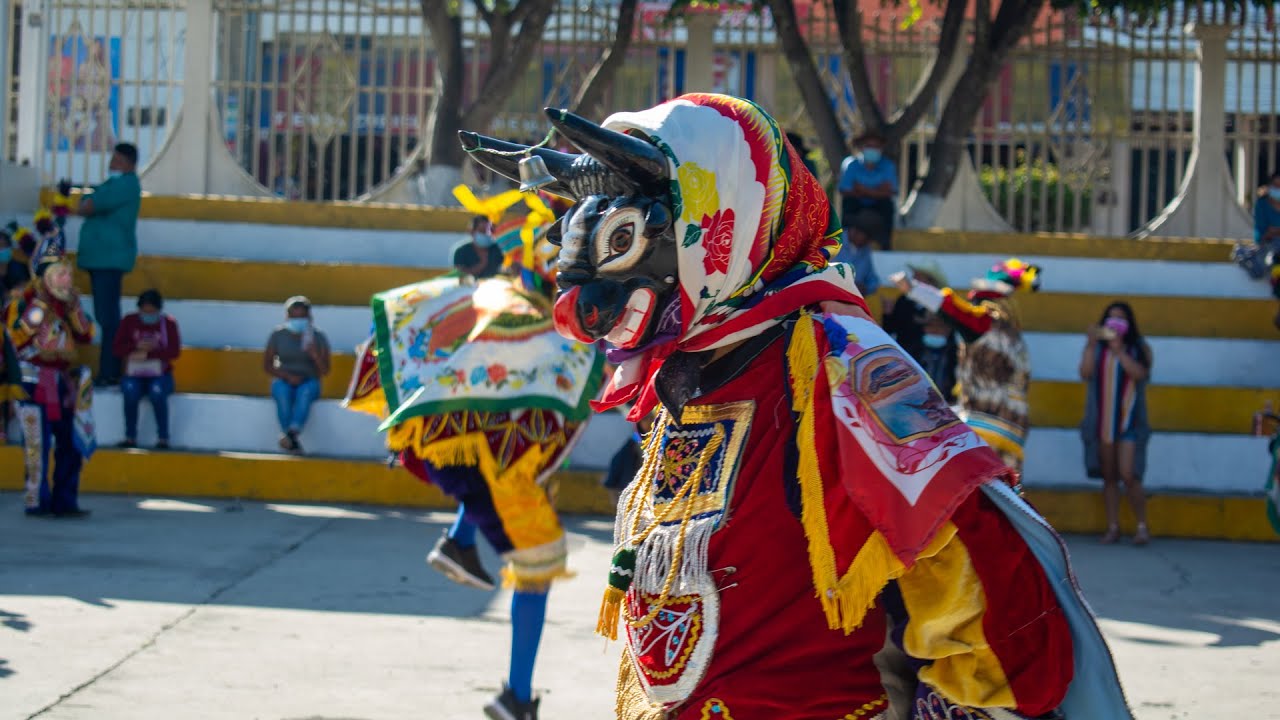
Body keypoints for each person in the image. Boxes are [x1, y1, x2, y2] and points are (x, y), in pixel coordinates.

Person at [462, 94, 1129, 719]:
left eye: (624, 241)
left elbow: (984, 584)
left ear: (717, 219)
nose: (582, 309)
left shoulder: (834, 361)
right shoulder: (686, 371)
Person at [343, 187, 604, 720]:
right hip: (495, 462)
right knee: (539, 565)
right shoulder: (535, 315)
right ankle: (517, 696)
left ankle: (460, 542)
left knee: (506, 471)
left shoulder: (491, 297)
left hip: (466, 447)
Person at [893, 259, 1040, 477]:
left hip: (985, 422)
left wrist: (914, 289)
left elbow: (952, 309)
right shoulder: (1014, 337)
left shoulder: (983, 321)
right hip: (1014, 426)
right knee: (1006, 495)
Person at [2, 228, 96, 517]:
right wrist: (40, 309)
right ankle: (37, 500)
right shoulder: (22, 302)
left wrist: (73, 310)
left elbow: (87, 334)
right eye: (56, 274)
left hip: (64, 382)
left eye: (64, 273)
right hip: (32, 381)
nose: (63, 280)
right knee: (36, 446)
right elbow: (15, 337)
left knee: (70, 444)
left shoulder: (70, 305)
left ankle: (66, 500)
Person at [1079, 302, 1153, 546]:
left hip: (1130, 422)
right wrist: (1091, 344)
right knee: (1109, 476)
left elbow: (1141, 374)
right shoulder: (1097, 348)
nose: (1115, 324)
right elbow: (1085, 372)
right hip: (1102, 422)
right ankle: (1113, 527)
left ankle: (1142, 526)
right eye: (1110, 319)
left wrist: (1120, 351)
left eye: (1120, 320)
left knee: (1128, 474)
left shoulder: (1139, 348)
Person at [76, 142, 142, 387]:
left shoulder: (125, 185)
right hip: (100, 259)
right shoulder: (114, 185)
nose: (111, 164)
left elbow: (89, 205)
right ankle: (109, 370)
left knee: (108, 319)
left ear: (128, 164)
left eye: (117, 160)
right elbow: (85, 202)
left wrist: (87, 205)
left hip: (108, 260)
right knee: (106, 317)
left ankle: (110, 371)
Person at [883, 262, 960, 403]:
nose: (915, 280)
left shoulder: (940, 302)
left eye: (920, 277)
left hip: (938, 359)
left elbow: (951, 332)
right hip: (908, 355)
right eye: (915, 277)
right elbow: (891, 328)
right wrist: (887, 314)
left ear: (930, 281)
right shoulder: (903, 301)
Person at [113, 289, 181, 449]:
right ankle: (130, 437)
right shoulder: (129, 321)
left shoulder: (168, 324)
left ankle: (163, 437)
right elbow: (117, 349)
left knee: (157, 392)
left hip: (160, 374)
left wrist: (149, 353)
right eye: (144, 311)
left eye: (152, 312)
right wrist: (135, 347)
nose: (148, 315)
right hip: (134, 373)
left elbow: (174, 352)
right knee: (130, 390)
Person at [263, 296, 330, 454]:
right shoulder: (278, 335)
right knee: (281, 391)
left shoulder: (318, 337)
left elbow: (325, 370)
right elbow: (267, 365)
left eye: (302, 317)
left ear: (309, 318)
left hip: (309, 380)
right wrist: (287, 376)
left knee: (304, 392)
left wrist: (315, 355)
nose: (298, 320)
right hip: (284, 379)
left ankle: (290, 434)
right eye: (294, 317)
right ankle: (291, 438)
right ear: (287, 317)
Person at [839, 130, 898, 250]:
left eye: (876, 146)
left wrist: (862, 189)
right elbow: (845, 190)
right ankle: (843, 244)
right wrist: (877, 190)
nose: (873, 149)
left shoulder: (888, 165)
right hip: (856, 203)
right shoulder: (851, 164)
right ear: (861, 147)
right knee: (849, 203)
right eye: (869, 146)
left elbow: (891, 192)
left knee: (887, 206)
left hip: (879, 204)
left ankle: (885, 245)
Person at [452, 216, 504, 280]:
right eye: (482, 231)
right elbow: (460, 275)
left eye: (491, 231)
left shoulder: (500, 249)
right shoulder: (461, 251)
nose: (487, 234)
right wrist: (482, 264)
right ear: (471, 232)